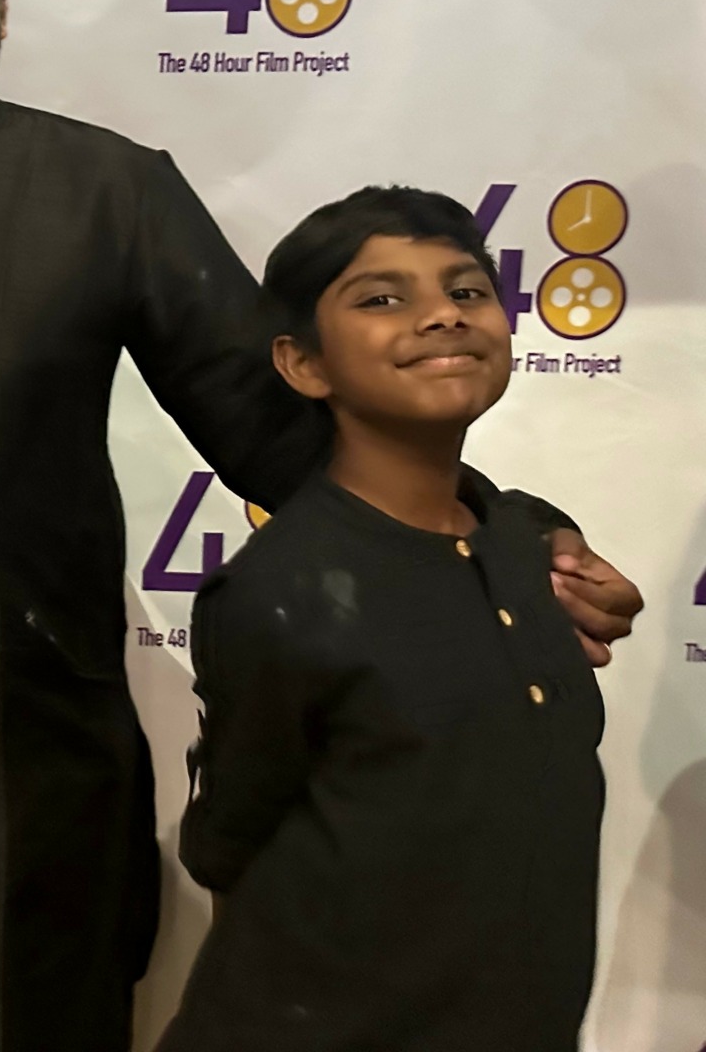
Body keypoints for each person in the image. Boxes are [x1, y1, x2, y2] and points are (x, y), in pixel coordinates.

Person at [0, 0, 643, 1052]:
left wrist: (504, 549)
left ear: (1, 3)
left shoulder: (109, 189)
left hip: (34, 733)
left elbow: (281, 431)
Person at [162, 187, 603, 1050]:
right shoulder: (280, 591)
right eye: (381, 300)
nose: (442, 316)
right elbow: (231, 850)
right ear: (303, 364)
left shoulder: (522, 548)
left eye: (467, 290)